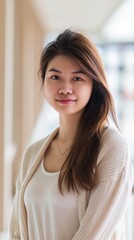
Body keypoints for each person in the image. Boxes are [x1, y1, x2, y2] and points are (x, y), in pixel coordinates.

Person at [9, 29, 133, 240]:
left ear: (94, 84)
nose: (65, 88)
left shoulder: (111, 147)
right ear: (43, 80)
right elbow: (18, 233)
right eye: (55, 76)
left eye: (77, 78)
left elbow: (93, 235)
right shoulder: (33, 154)